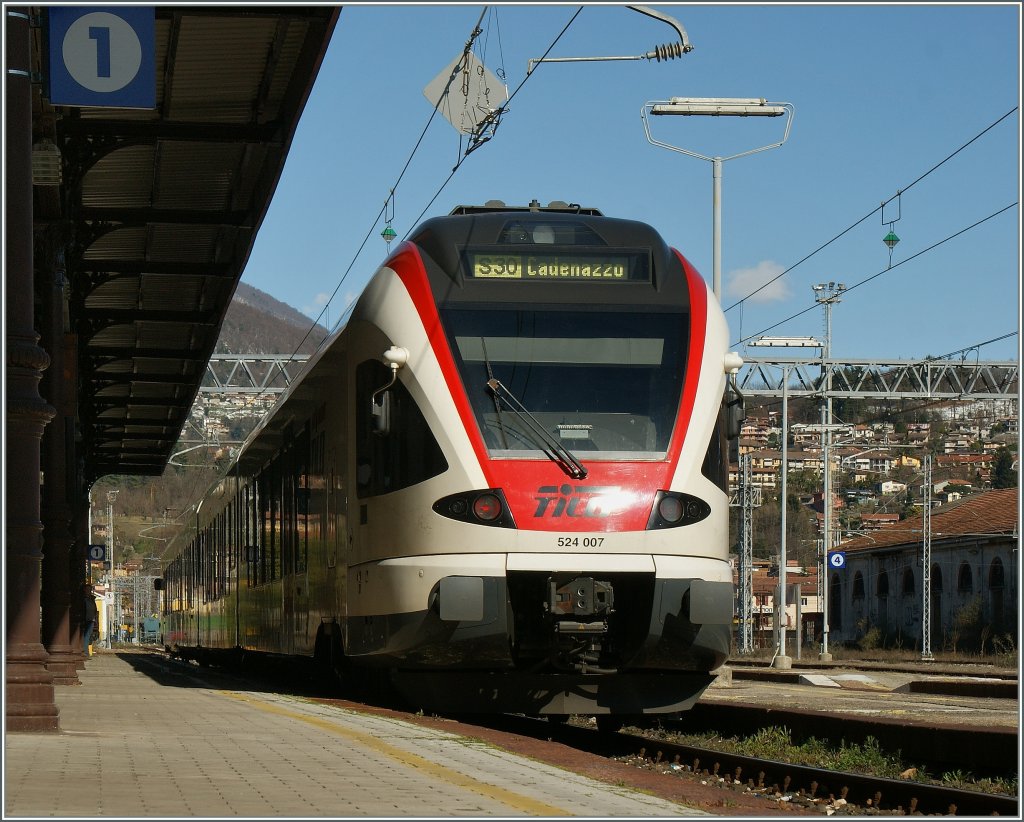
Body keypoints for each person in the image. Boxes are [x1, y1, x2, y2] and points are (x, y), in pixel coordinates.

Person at [82, 583, 99, 655]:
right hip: (84, 619)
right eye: (87, 589)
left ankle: (86, 652)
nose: (88, 591)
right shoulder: (82, 599)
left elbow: (95, 609)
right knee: (85, 636)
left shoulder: (92, 599)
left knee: (88, 636)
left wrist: (95, 619)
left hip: (91, 620)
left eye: (89, 589)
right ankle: (85, 653)